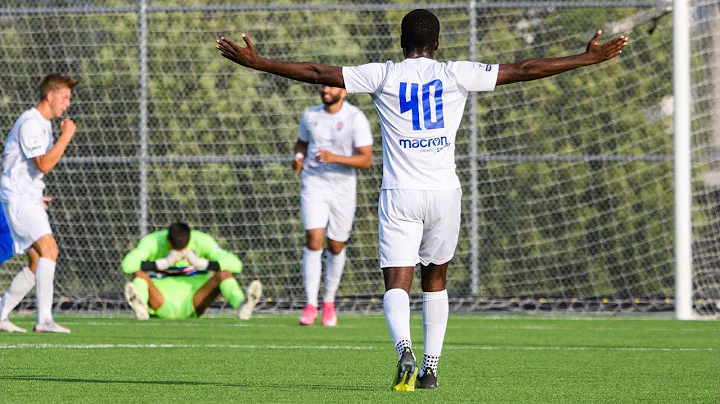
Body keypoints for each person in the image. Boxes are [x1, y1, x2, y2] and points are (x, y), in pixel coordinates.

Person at [216, 9, 628, 391]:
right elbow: (524, 69)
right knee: (436, 281)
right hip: (445, 194)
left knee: (397, 281)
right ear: (438, 43)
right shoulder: (457, 73)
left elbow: (316, 71)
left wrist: (260, 62)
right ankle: (431, 368)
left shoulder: (383, 75)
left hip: (401, 194)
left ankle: (403, 351)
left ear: (401, 41)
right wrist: (585, 58)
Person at [0, 74, 78, 333]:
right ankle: (44, 319)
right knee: (50, 249)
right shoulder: (31, 122)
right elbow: (43, 164)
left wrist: (36, 193)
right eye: (64, 98)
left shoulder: (42, 124)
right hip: (18, 198)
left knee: (37, 262)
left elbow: (26, 169)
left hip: (27, 196)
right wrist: (66, 136)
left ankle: (1, 314)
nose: (67, 103)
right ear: (49, 95)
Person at [293, 85, 373, 327]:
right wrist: (297, 159)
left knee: (336, 245)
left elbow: (366, 159)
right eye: (323, 85)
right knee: (313, 239)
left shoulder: (355, 117)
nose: (325, 89)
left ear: (344, 92)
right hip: (315, 183)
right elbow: (301, 145)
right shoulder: (310, 115)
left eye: (331, 86)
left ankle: (329, 301)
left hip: (343, 189)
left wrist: (334, 157)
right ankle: (310, 304)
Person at [122, 222, 263, 320]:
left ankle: (242, 305)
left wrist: (202, 263)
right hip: (160, 302)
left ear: (190, 240)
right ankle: (141, 307)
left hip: (193, 302)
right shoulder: (153, 241)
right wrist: (162, 263)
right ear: (167, 240)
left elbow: (236, 265)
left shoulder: (201, 240)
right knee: (139, 274)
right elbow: (127, 266)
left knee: (224, 274)